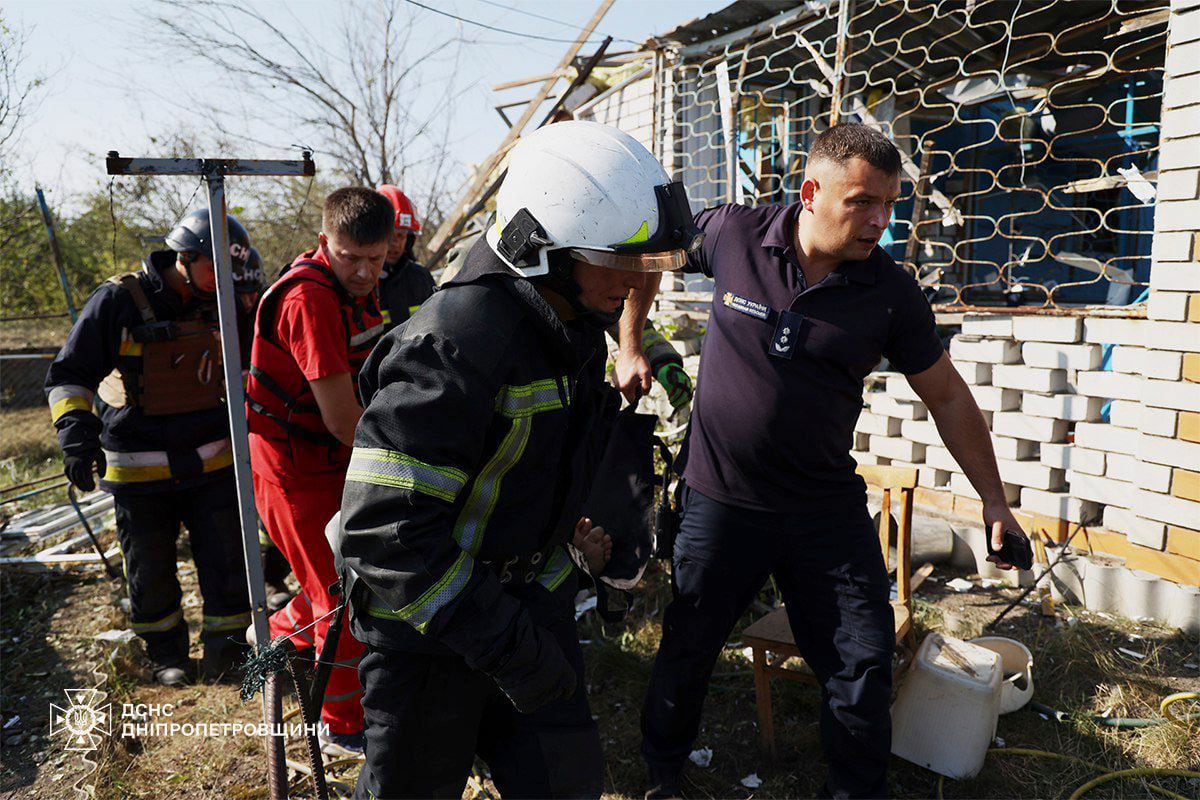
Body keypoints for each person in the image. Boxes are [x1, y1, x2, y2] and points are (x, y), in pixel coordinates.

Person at [629, 123, 1030, 799]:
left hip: (821, 509)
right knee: (689, 646)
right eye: (863, 203)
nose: (880, 221)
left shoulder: (890, 292)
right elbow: (651, 255)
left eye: (891, 205)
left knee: (862, 662)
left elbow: (948, 397)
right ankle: (661, 774)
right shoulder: (733, 232)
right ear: (812, 192)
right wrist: (629, 343)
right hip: (719, 498)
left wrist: (994, 501)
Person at [333, 120, 702, 799]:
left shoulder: (571, 325)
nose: (633, 280)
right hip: (428, 637)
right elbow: (381, 530)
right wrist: (508, 645)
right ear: (542, 249)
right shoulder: (455, 343)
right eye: (616, 258)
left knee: (566, 785)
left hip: (529, 611)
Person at [45, 210, 254, 686]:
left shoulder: (223, 304)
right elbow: (67, 375)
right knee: (149, 568)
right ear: (185, 257)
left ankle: (228, 650)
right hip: (140, 468)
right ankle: (167, 655)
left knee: (226, 560)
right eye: (213, 270)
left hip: (212, 460)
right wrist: (76, 436)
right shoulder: (118, 300)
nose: (223, 282)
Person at [244, 187, 391, 757]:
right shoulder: (308, 300)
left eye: (376, 258)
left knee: (346, 579)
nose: (364, 271)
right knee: (338, 596)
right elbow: (341, 420)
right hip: (291, 465)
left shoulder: (367, 286)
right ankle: (339, 723)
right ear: (324, 240)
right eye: (351, 257)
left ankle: (276, 635)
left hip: (332, 459)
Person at [375, 184, 436, 332]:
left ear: (409, 239)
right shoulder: (364, 279)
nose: (395, 244)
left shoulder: (421, 277)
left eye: (401, 235)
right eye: (389, 236)